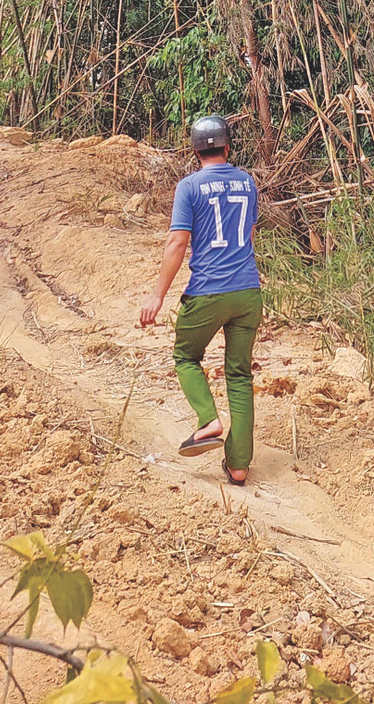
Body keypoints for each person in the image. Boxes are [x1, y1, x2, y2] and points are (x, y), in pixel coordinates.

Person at [139, 113, 261, 487]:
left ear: (195, 151)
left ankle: (208, 420)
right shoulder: (247, 182)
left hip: (207, 291)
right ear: (228, 146)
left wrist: (157, 296)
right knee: (239, 374)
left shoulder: (189, 187)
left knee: (185, 356)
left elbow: (177, 242)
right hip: (248, 291)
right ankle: (238, 465)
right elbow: (249, 234)